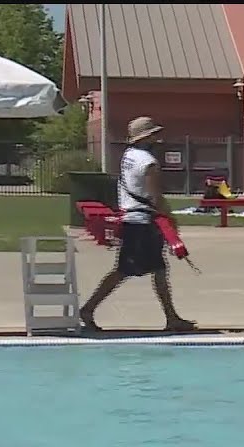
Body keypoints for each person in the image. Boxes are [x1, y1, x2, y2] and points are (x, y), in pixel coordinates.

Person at [80, 117, 194, 333]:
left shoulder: (128, 156)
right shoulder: (148, 162)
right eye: (153, 135)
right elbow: (155, 196)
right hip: (142, 222)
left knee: (158, 269)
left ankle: (171, 317)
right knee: (124, 270)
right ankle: (88, 309)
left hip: (133, 219)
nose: (157, 139)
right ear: (145, 137)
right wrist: (171, 220)